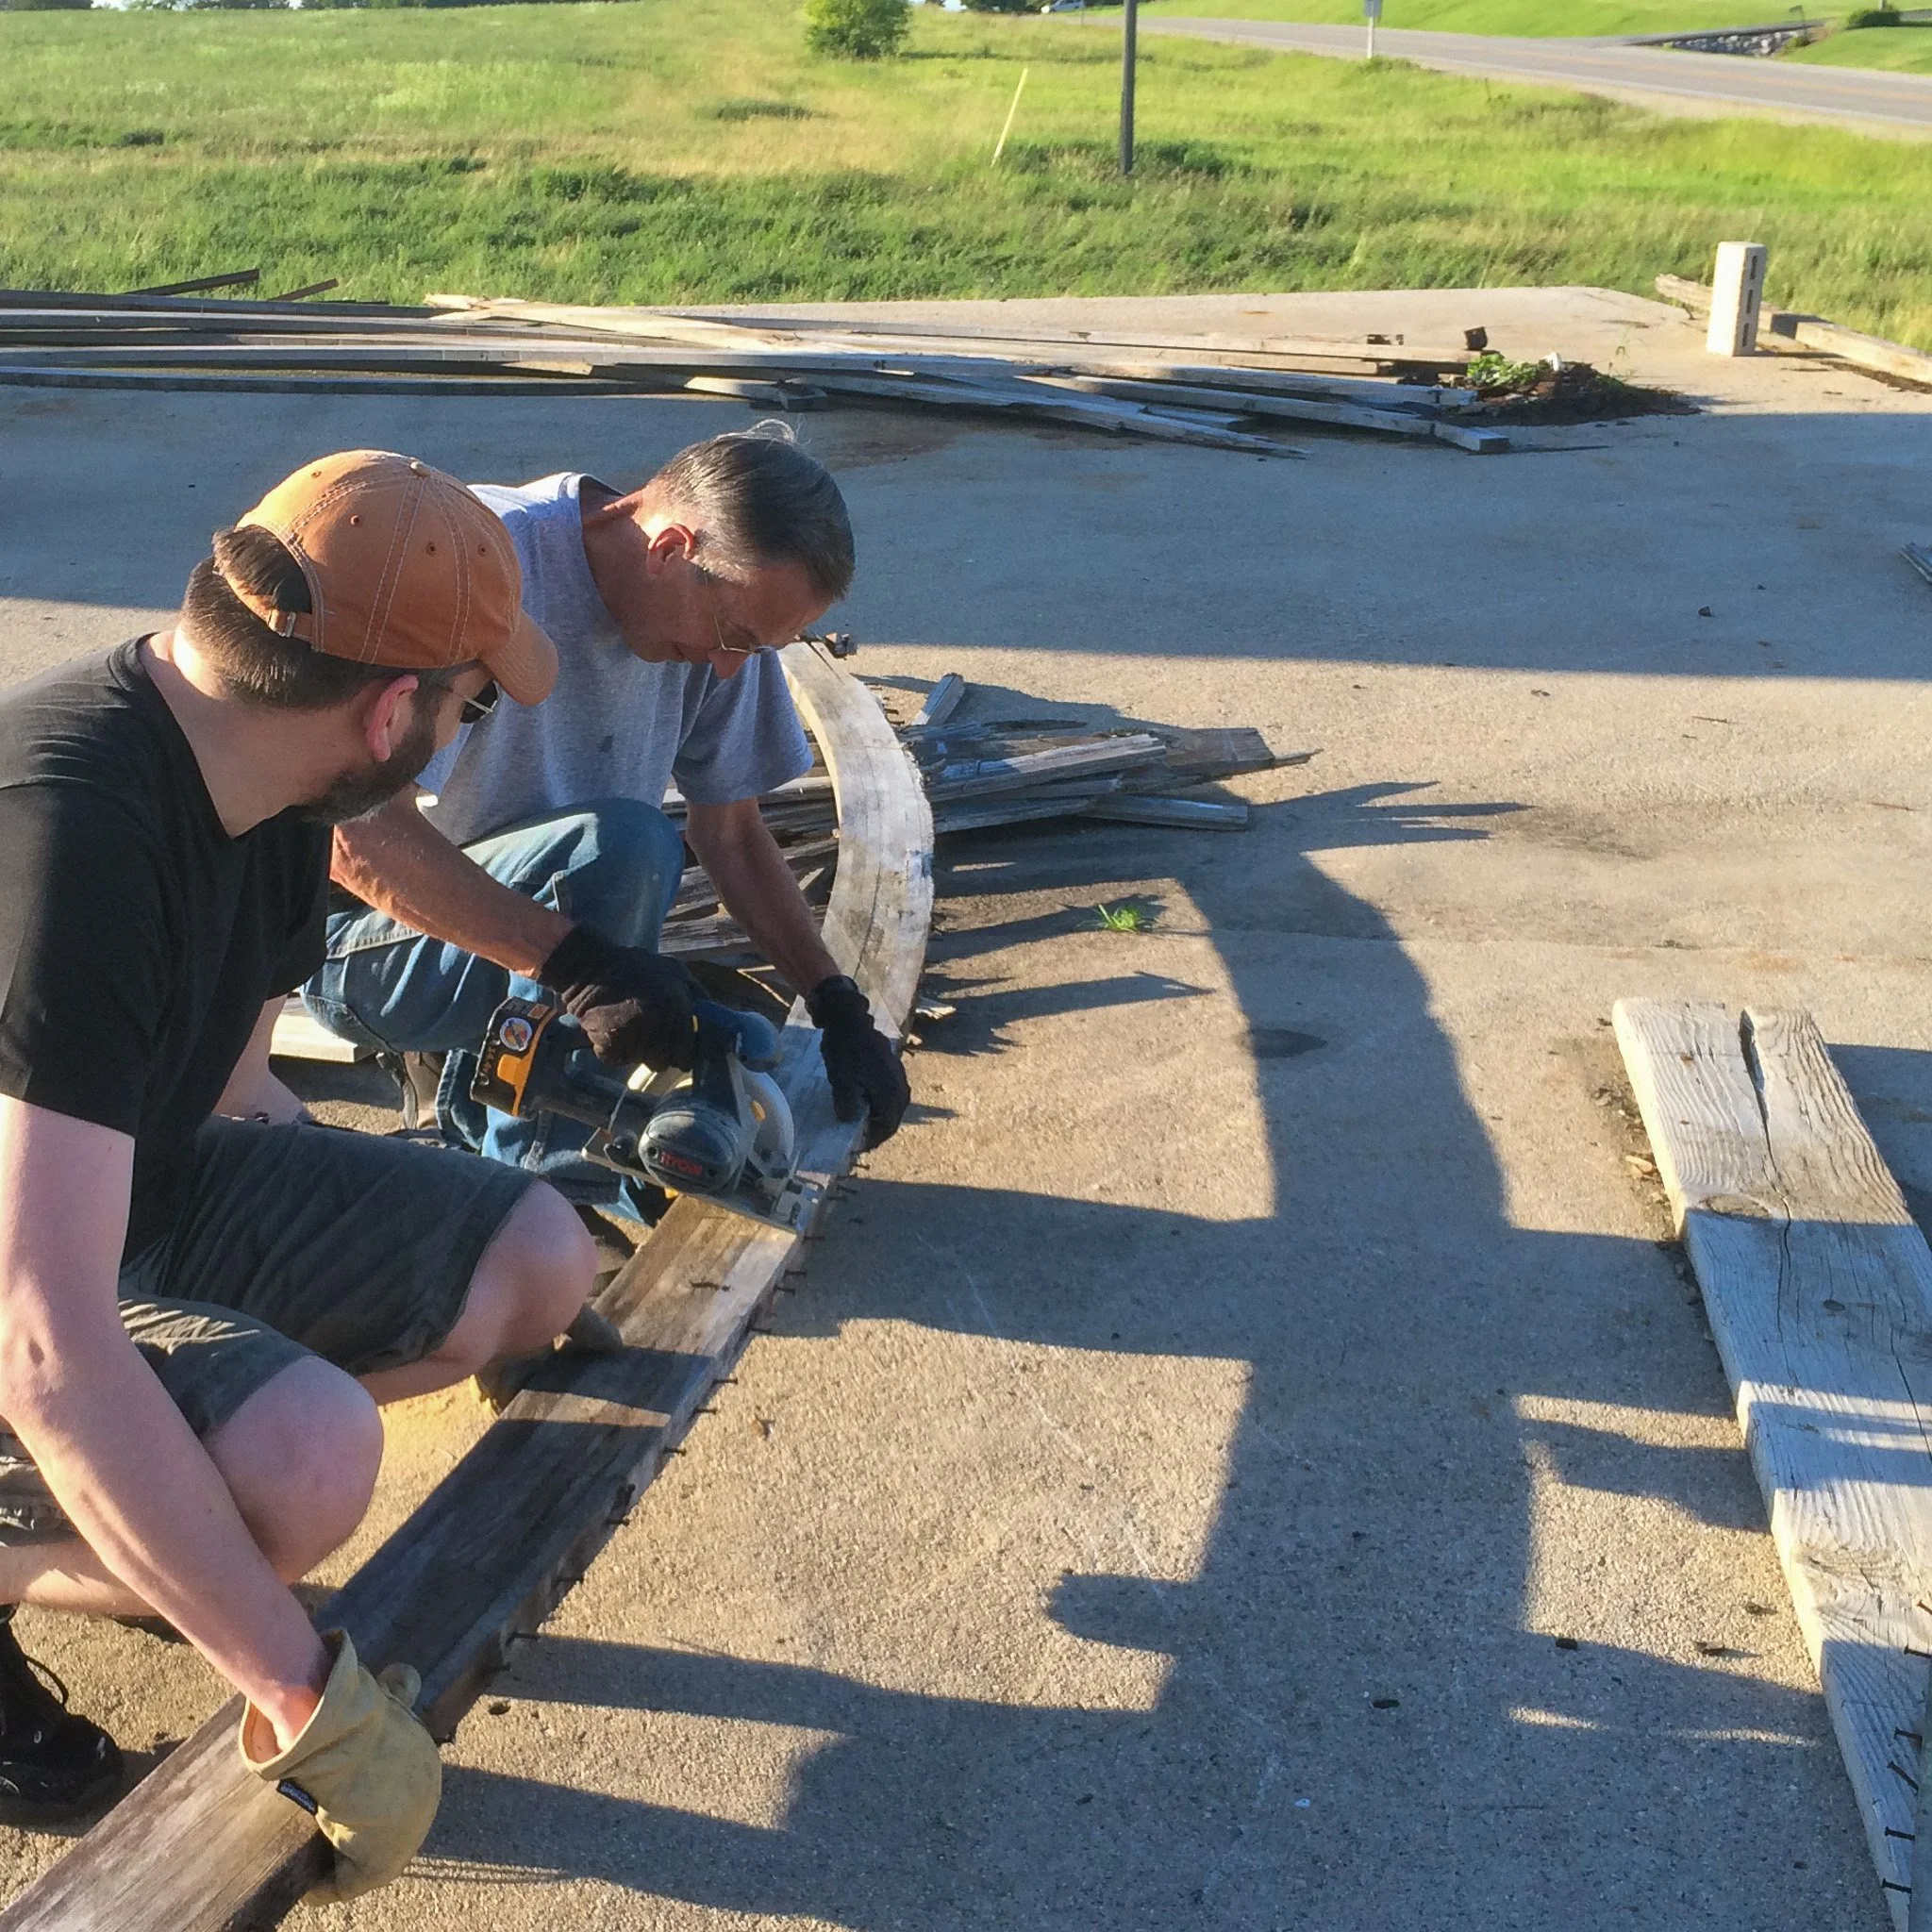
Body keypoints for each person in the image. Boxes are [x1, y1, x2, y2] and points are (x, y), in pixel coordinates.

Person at [0, 451, 600, 1900]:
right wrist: (297, 1692)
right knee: (308, 1457)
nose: (459, 733)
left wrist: (397, 1235)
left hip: (114, 1204)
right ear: (394, 708)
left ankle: (156, 1523)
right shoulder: (63, 838)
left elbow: (232, 1098)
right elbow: (40, 1337)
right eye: (466, 705)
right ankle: (103, 1534)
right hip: (27, 1275)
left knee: (527, 1256)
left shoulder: (268, 787)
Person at [302, 426, 910, 1222]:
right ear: (669, 549)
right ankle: (548, 1185)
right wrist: (584, 970)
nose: (731, 667)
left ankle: (575, 1134)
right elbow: (353, 837)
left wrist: (835, 1005)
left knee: (742, 1035)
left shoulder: (723, 626)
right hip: (360, 950)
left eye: (759, 648)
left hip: (540, 948)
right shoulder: (480, 565)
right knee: (622, 846)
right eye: (733, 639)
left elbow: (731, 835)